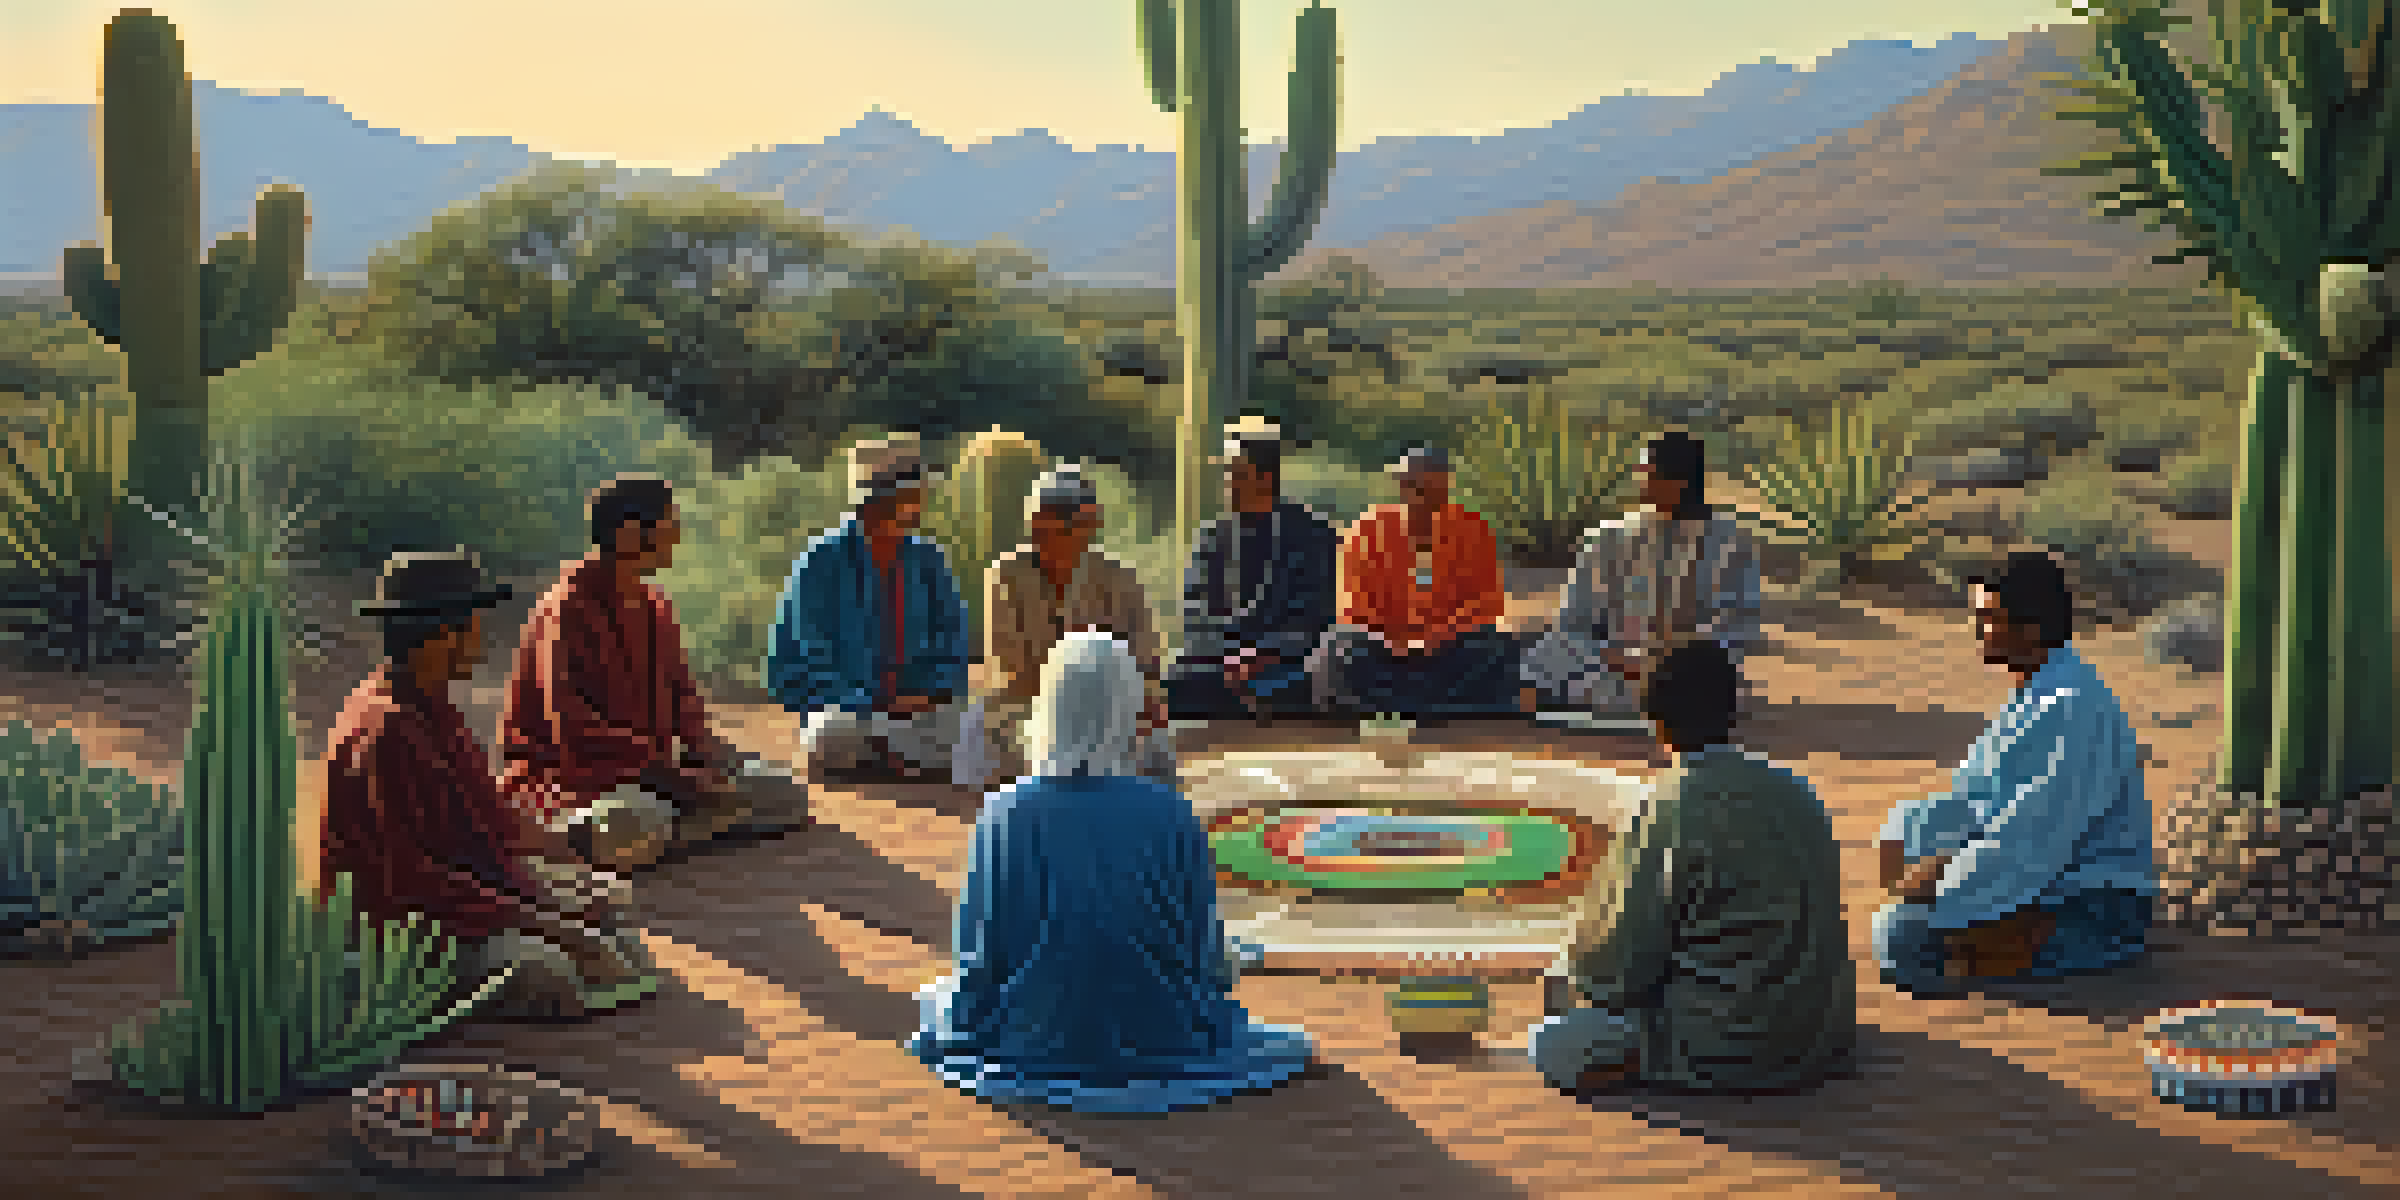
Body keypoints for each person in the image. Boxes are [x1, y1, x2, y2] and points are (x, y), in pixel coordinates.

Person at [911, 632, 1315, 1113]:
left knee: (935, 1000)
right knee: (1288, 1044)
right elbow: (1203, 959)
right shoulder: (1170, 813)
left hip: (1032, 1033)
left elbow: (980, 958)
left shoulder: (1002, 812)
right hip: (1161, 1033)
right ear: (1128, 709)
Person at [323, 550, 653, 1021]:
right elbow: (417, 881)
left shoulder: (433, 704)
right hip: (402, 930)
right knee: (549, 973)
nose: (481, 637)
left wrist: (566, 871)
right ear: (443, 634)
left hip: (468, 900)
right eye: (473, 623)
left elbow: (489, 818)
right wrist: (550, 923)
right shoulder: (386, 728)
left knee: (606, 911)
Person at [1526, 638, 1853, 1095]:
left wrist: (1573, 971)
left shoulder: (1667, 804)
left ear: (1656, 724)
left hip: (1722, 1038)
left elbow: (1615, 972)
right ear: (1732, 712)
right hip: (1817, 1034)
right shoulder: (1798, 791)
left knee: (1553, 1040)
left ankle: (1655, 1064)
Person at [1872, 552, 2154, 993]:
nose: (1979, 631)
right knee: (1909, 857)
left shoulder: (2071, 705)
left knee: (1902, 936)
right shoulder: (2040, 691)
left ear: (2032, 629)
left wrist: (1939, 879)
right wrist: (1906, 839)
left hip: (2093, 905)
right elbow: (1976, 800)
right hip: (2042, 876)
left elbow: (2031, 834)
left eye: (1989, 619)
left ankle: (1991, 956)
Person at [499, 474, 809, 871]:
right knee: (638, 818)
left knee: (785, 794)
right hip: (577, 778)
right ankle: (664, 829)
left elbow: (686, 704)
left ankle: (674, 829)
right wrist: (669, 774)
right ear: (631, 533)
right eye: (670, 526)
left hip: (662, 772)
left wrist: (707, 754)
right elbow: (571, 729)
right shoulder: (567, 608)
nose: (676, 538)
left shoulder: (654, 603)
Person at [769, 434, 977, 784]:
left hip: (918, 713)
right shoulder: (821, 561)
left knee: (978, 730)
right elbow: (810, 659)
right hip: (850, 712)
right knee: (829, 735)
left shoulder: (929, 559)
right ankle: (901, 760)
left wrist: (928, 694)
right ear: (880, 500)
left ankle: (886, 759)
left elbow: (953, 642)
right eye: (915, 495)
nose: (923, 504)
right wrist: (874, 701)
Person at [1523, 430, 1761, 717]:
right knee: (1548, 652)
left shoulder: (1730, 541)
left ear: (1678, 483)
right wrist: (1613, 656)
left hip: (1689, 671)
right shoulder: (1609, 538)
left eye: (1647, 473)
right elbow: (1574, 620)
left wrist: (1677, 657)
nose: (1639, 482)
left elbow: (1739, 624)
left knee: (1698, 682)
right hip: (1616, 663)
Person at [968, 465, 1176, 788]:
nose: (1045, 535)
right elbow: (1011, 667)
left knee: (1154, 748)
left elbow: (1146, 657)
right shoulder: (1004, 575)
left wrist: (1143, 698)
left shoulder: (1119, 577)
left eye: (1062, 523)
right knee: (997, 741)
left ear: (1088, 527)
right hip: (1029, 709)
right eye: (1040, 523)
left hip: (1106, 710)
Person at [1310, 445, 1522, 718]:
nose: (1423, 500)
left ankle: (1408, 707)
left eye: (1434, 493)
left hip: (1448, 648)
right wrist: (1392, 639)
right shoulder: (1368, 529)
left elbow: (1487, 603)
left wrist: (1439, 634)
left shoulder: (1473, 528)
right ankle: (1438, 708)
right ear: (1401, 487)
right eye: (1415, 489)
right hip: (1383, 648)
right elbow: (1353, 603)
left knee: (1499, 646)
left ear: (1446, 490)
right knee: (1338, 646)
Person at [1165, 417, 1340, 722]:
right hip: (1220, 663)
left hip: (1287, 661)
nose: (1226, 482)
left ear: (1264, 478)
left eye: (1235, 472)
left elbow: (1317, 614)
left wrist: (1262, 655)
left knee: (1326, 678)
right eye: (1226, 473)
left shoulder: (1313, 534)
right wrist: (1230, 658)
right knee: (1174, 681)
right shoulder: (1212, 537)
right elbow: (1195, 613)